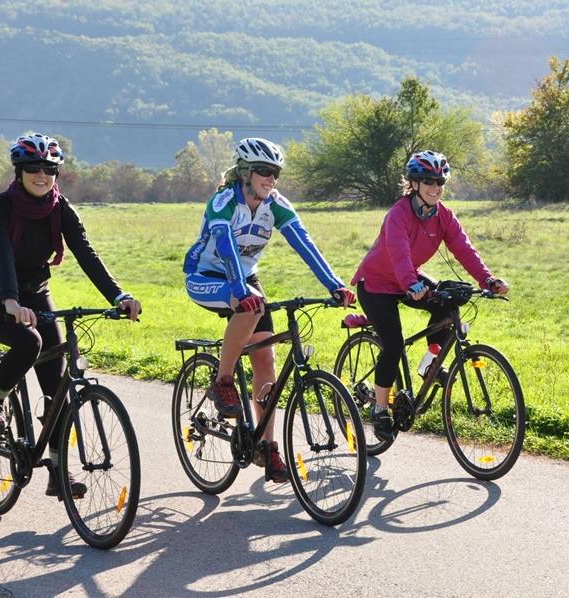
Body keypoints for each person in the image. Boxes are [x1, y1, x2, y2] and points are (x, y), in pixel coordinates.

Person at [0, 132, 142, 499]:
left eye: (49, 168)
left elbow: (87, 255)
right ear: (19, 170)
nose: (42, 175)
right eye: (33, 167)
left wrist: (119, 295)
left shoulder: (61, 209)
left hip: (37, 293)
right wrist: (12, 302)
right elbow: (2, 255)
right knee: (28, 342)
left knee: (57, 388)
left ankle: (56, 473)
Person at [183, 137, 355, 483]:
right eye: (264, 171)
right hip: (207, 277)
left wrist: (334, 284)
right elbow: (227, 248)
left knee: (266, 359)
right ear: (245, 172)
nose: (271, 178)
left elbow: (304, 243)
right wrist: (238, 290)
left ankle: (267, 445)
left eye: (275, 173)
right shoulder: (224, 201)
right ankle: (223, 380)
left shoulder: (274, 204)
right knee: (247, 308)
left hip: (246, 280)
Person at [350, 150, 510, 442]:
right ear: (414, 184)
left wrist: (487, 279)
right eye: (428, 182)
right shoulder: (399, 213)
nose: (435, 187)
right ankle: (381, 410)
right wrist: (411, 283)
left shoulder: (444, 215)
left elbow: (464, 249)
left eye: (439, 182)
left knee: (450, 297)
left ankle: (429, 364)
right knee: (394, 343)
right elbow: (398, 253)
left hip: (409, 279)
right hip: (376, 284)